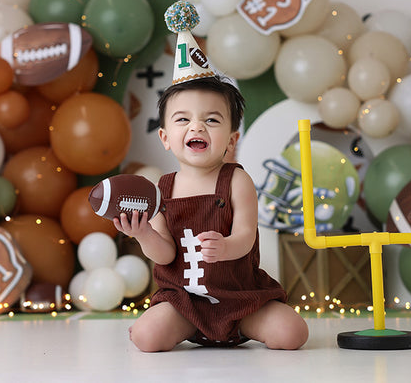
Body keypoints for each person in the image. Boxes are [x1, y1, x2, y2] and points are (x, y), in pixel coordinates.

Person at [112, 74, 309, 352]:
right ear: (165, 137)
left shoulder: (237, 181)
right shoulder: (161, 189)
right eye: (183, 119)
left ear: (231, 140)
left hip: (240, 298)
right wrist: (144, 234)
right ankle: (183, 326)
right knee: (147, 338)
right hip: (184, 302)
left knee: (292, 334)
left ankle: (240, 326)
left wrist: (226, 246)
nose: (197, 127)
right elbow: (165, 254)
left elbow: (246, 236)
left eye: (212, 120)